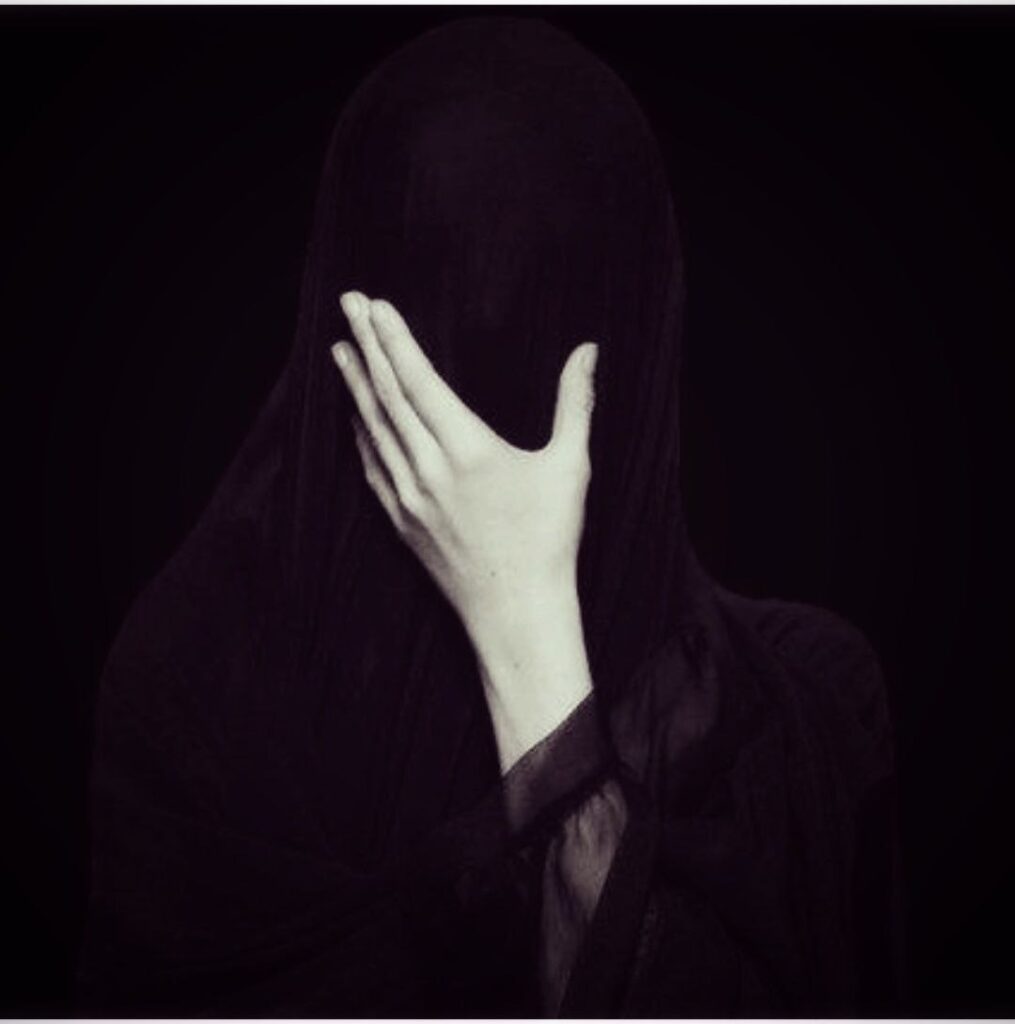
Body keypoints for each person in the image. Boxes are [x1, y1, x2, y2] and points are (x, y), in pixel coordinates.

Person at [74, 15, 908, 1017]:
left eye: (549, 293)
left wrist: (527, 628)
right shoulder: (195, 687)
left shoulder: (798, 717)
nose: (488, 328)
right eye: (439, 281)